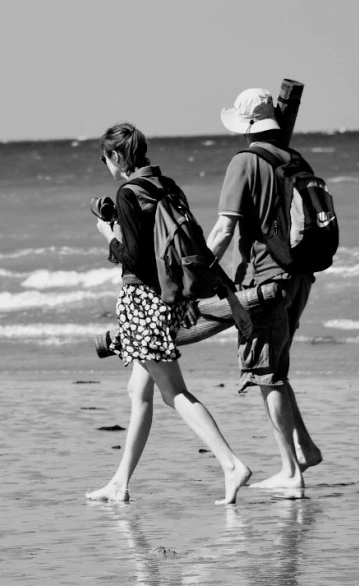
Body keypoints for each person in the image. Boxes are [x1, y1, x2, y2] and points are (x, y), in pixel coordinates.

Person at [86, 122, 252, 505]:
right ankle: (119, 483)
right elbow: (192, 242)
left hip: (142, 302)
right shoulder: (166, 185)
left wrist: (108, 235)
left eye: (104, 158)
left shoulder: (128, 193)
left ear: (115, 156)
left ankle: (231, 464)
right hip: (169, 299)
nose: (105, 165)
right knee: (137, 390)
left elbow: (136, 260)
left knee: (173, 392)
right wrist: (231, 297)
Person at [206, 88, 324, 494]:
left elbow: (223, 230)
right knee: (278, 367)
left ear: (246, 128)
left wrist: (196, 273)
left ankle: (290, 472)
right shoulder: (294, 159)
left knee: (266, 374)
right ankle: (304, 448)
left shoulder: (244, 162)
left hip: (265, 281)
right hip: (300, 276)